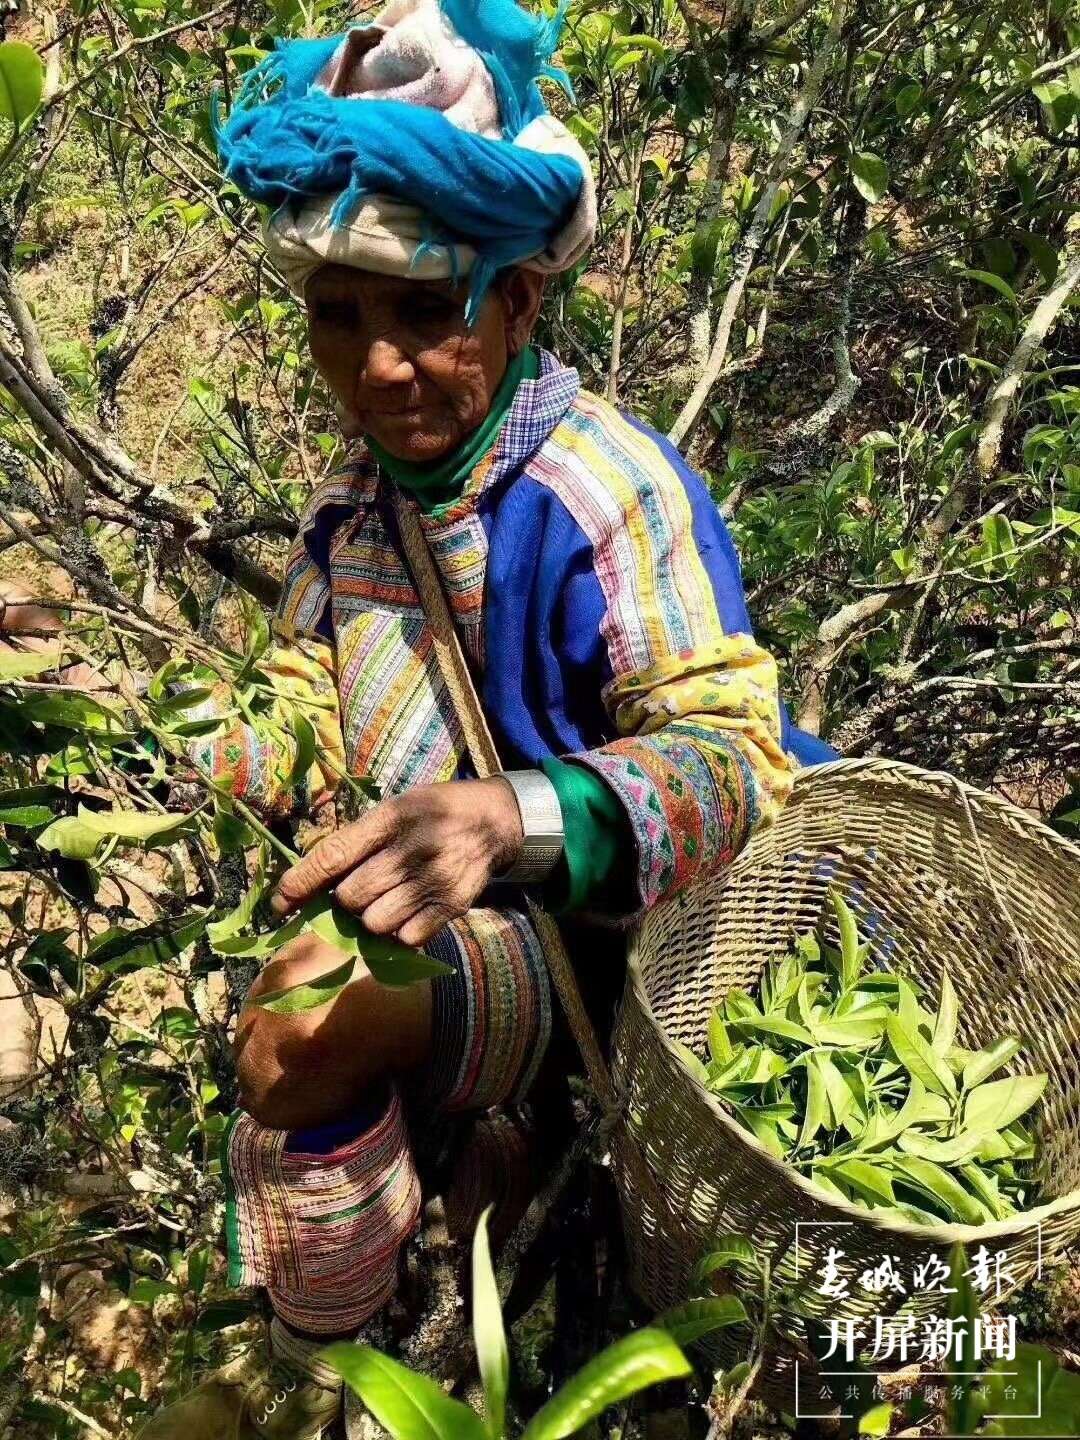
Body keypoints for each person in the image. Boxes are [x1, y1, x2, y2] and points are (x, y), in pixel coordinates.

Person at [4, 2, 833, 1434]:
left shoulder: (602, 487)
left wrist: (516, 816)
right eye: (342, 317)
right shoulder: (353, 515)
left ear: (516, 302)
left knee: (295, 1038)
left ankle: (332, 1360)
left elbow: (734, 761)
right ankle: (392, 1318)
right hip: (469, 942)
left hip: (628, 959)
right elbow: (300, 732)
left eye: (424, 312)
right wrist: (81, 675)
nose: (380, 366)